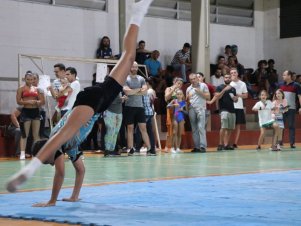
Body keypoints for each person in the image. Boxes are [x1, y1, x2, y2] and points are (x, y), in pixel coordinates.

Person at [6, 0, 154, 194]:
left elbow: (59, 172)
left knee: (65, 132)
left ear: (49, 155)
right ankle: (138, 13)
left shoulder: (57, 147)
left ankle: (29, 169)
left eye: (47, 161)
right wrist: (74, 197)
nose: (52, 165)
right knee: (129, 56)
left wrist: (51, 200)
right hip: (100, 101)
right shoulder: (70, 150)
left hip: (90, 102)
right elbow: (80, 170)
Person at [123, 61, 155, 156]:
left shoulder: (141, 79)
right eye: (133, 67)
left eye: (136, 67)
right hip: (129, 107)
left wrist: (133, 91)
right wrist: (138, 90)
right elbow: (127, 92)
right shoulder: (126, 78)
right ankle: (131, 148)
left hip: (140, 107)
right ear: (129, 67)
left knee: (143, 128)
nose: (135, 69)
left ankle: (150, 148)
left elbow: (144, 91)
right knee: (130, 128)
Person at [16, 72, 45, 160]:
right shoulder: (21, 89)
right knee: (25, 134)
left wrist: (37, 102)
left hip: (36, 111)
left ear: (34, 79)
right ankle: (22, 153)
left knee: (36, 134)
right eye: (28, 79)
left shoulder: (38, 89)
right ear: (25, 79)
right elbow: (18, 101)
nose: (30, 81)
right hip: (26, 111)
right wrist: (27, 102)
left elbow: (42, 102)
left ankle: (35, 153)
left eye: (32, 79)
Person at [207, 74, 237, 151]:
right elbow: (218, 97)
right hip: (223, 109)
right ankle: (220, 144)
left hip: (232, 109)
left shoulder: (233, 88)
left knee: (230, 128)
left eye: (229, 77)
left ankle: (226, 144)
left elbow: (235, 100)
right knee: (223, 127)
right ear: (224, 78)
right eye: (226, 77)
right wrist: (224, 90)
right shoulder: (219, 87)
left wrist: (235, 98)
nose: (227, 79)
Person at [186, 73, 210, 153]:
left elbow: (208, 97)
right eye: (191, 79)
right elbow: (187, 101)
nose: (193, 80)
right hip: (191, 109)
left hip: (201, 108)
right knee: (194, 129)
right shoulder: (188, 88)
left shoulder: (203, 85)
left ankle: (203, 146)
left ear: (197, 78)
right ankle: (196, 147)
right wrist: (187, 101)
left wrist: (200, 92)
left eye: (194, 78)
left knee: (201, 127)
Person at [278, 70, 301, 148]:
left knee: (291, 125)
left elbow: (299, 97)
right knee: (281, 125)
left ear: (289, 76)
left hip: (291, 108)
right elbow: (276, 96)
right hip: (281, 108)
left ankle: (292, 143)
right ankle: (280, 142)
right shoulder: (280, 84)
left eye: (284, 75)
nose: (283, 76)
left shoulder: (296, 85)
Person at [164, 77, 183, 152]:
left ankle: (176, 147)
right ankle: (167, 146)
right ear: (174, 82)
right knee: (170, 129)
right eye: (178, 83)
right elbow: (166, 98)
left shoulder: (180, 91)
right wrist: (173, 89)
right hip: (170, 110)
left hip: (178, 112)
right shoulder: (168, 88)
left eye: (181, 84)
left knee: (177, 130)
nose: (179, 85)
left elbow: (182, 101)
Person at [230, 68, 248, 148]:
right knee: (229, 126)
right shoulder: (229, 83)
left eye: (234, 72)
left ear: (237, 73)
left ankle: (235, 143)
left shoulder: (242, 84)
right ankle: (227, 143)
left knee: (238, 126)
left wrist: (238, 95)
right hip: (230, 107)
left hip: (239, 107)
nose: (233, 74)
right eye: (231, 73)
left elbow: (246, 95)